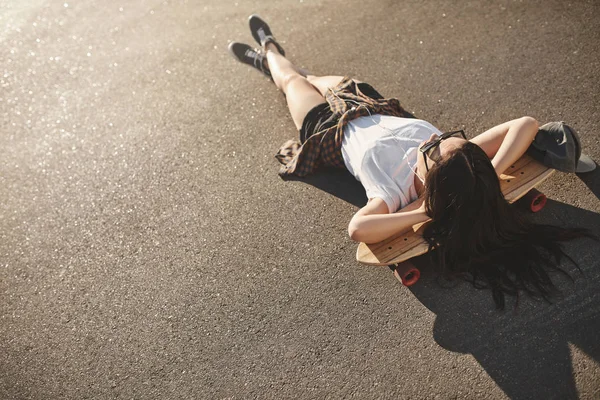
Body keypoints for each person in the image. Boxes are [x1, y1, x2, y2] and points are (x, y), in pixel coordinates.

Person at [228, 15, 596, 309]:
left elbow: (358, 228)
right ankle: (276, 59)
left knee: (292, 80)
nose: (438, 139)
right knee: (311, 76)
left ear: (432, 176)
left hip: (327, 129)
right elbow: (526, 125)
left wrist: (424, 212)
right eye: (445, 140)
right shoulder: (463, 161)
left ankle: (268, 51)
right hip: (370, 103)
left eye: (433, 148)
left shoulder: (396, 191)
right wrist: (493, 169)